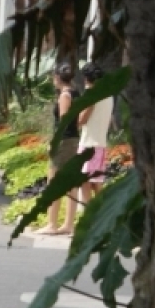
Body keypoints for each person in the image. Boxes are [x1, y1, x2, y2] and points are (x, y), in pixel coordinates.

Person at [38, 64, 82, 235]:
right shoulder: (76, 93)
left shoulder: (65, 95)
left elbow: (63, 122)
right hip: (73, 139)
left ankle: (52, 224)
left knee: (54, 181)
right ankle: (68, 223)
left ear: (57, 77)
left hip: (64, 141)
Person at [77, 64, 114, 203]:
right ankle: (101, 215)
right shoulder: (109, 96)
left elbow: (81, 119)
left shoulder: (92, 96)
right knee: (97, 183)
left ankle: (89, 215)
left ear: (87, 79)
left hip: (88, 144)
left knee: (85, 183)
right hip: (101, 144)